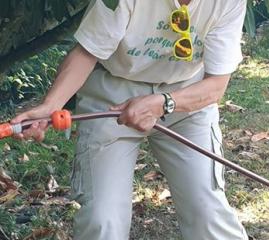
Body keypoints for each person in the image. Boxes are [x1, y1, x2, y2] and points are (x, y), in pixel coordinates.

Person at [12, 0, 248, 239]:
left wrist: (163, 102)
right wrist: (51, 105)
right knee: (103, 219)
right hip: (112, 97)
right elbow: (87, 52)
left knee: (208, 212)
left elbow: (216, 86)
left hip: (186, 98)